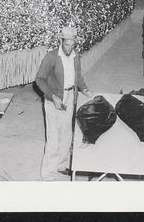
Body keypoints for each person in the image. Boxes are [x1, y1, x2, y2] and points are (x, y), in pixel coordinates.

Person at [34, 26, 93, 180]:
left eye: (72, 45)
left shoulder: (75, 56)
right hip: (53, 98)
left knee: (66, 133)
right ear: (61, 41)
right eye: (66, 44)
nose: (69, 48)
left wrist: (85, 89)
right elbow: (39, 80)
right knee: (53, 137)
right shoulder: (51, 57)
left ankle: (61, 164)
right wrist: (52, 96)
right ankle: (47, 174)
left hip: (69, 96)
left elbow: (77, 76)